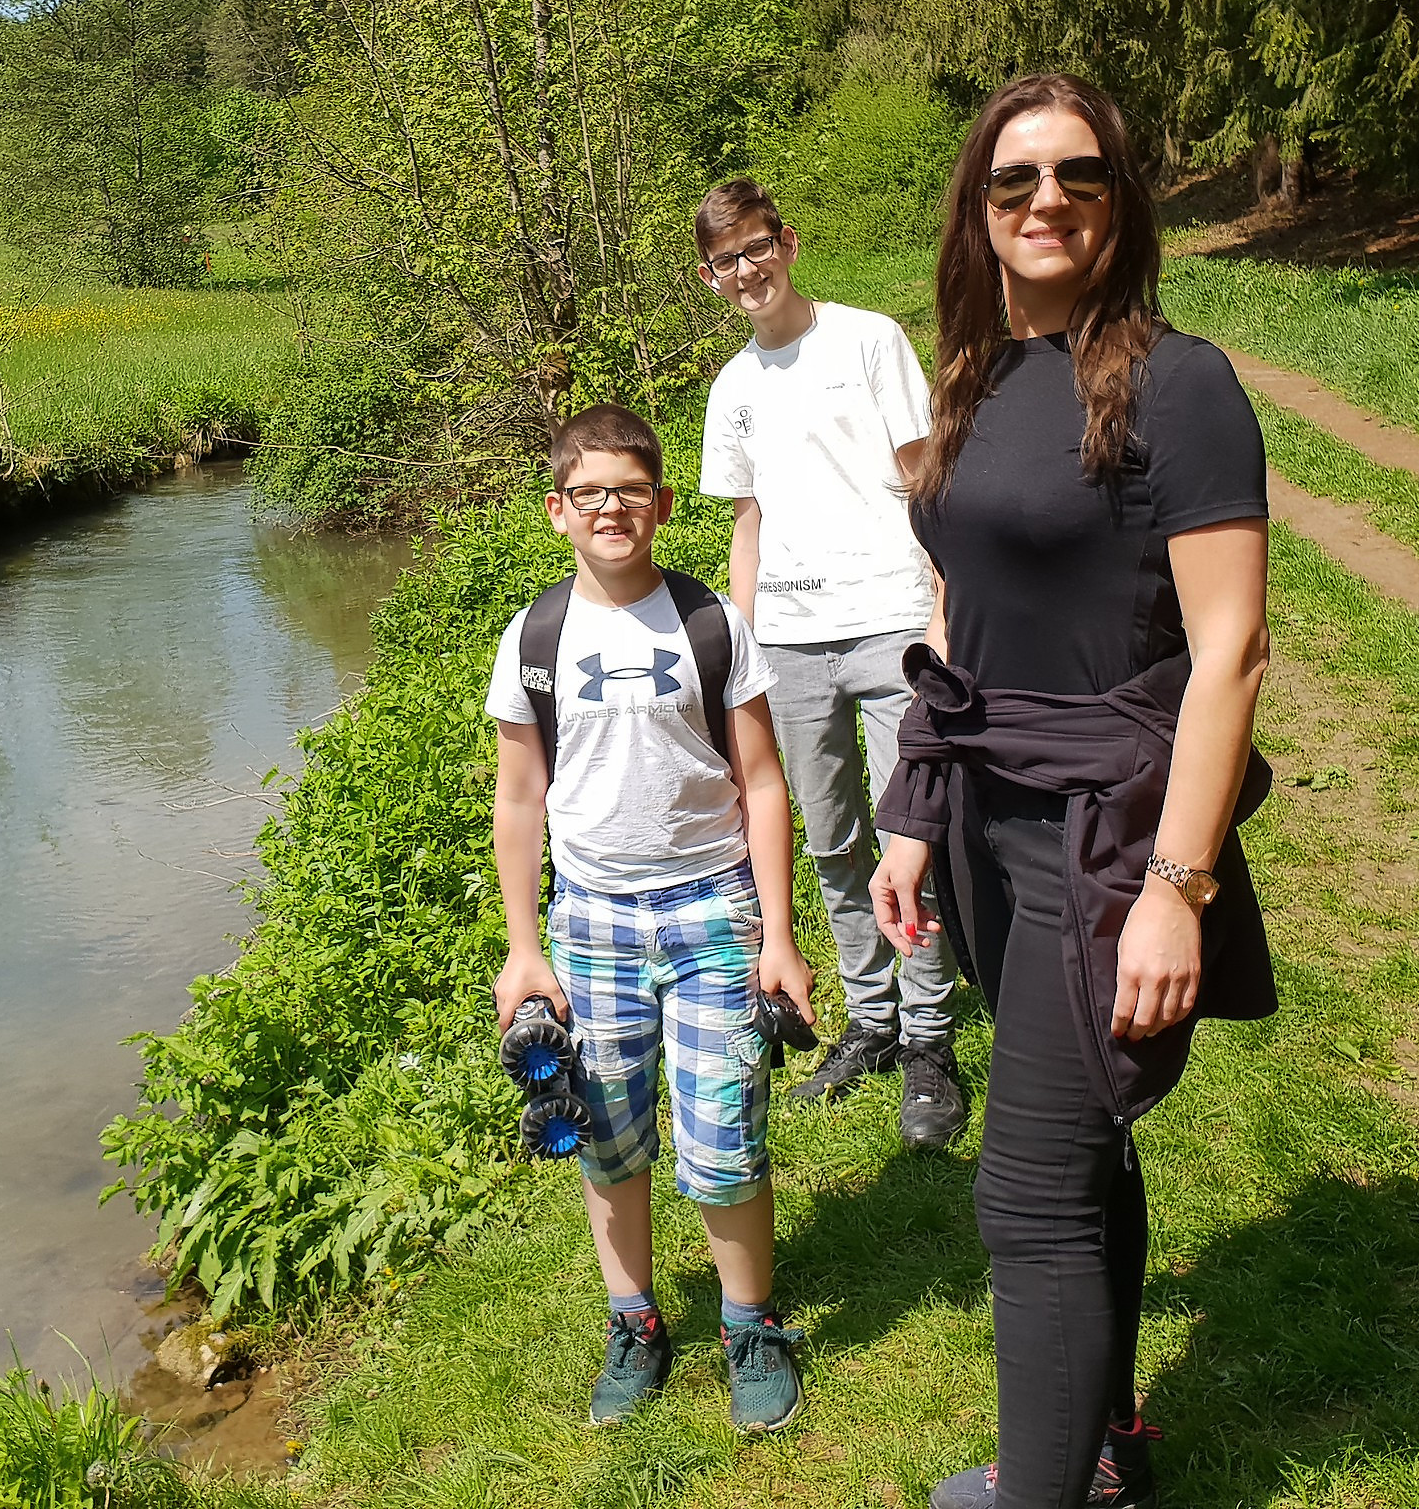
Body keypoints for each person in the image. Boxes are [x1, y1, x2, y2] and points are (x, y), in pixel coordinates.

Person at [866, 74, 1276, 1509]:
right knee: (1085, 1150)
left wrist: (1176, 886)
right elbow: (955, 610)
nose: (1046, 200)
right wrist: (914, 808)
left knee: (1027, 1196)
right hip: (986, 819)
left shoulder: (1179, 383)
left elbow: (1230, 648)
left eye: (1078, 174)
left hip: (1102, 837)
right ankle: (1103, 1444)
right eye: (1015, 179)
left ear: (1119, 202)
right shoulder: (975, 379)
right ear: (977, 210)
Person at [488, 402, 817, 1433]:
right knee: (608, 1140)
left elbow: (762, 782)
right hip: (591, 923)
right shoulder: (533, 636)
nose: (611, 509)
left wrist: (778, 935)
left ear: (663, 504)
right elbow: (519, 798)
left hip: (712, 908)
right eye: (588, 493)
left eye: (630, 491)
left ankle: (749, 1326)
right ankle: (633, 1322)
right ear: (557, 509)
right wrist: (524, 948)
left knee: (725, 1138)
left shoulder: (713, 623)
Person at [695, 178, 967, 1147]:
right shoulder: (731, 389)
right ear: (710, 278)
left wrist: (945, 600)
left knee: (908, 835)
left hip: (891, 617)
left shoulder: (867, 339)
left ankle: (931, 1038)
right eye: (726, 260)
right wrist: (740, 645)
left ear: (787, 242)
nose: (746, 270)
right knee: (829, 839)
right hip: (789, 643)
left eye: (756, 247)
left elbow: (924, 474)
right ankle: (871, 1018)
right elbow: (747, 523)